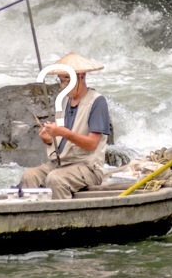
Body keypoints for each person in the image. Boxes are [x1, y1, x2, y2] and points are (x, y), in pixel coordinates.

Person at [18, 53, 111, 200]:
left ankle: (61, 219)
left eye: (68, 81)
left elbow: (92, 144)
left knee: (56, 179)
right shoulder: (62, 101)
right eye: (61, 81)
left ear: (81, 76)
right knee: (29, 176)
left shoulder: (97, 102)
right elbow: (59, 140)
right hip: (61, 163)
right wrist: (49, 139)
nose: (64, 86)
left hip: (87, 167)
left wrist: (64, 133)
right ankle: (33, 218)